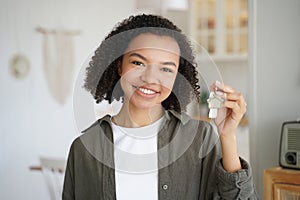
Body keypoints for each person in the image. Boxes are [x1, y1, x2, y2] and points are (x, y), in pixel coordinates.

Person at [63, 14, 258, 199]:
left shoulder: (200, 138)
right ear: (119, 65)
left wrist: (227, 135)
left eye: (166, 68)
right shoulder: (83, 148)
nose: (149, 78)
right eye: (138, 63)